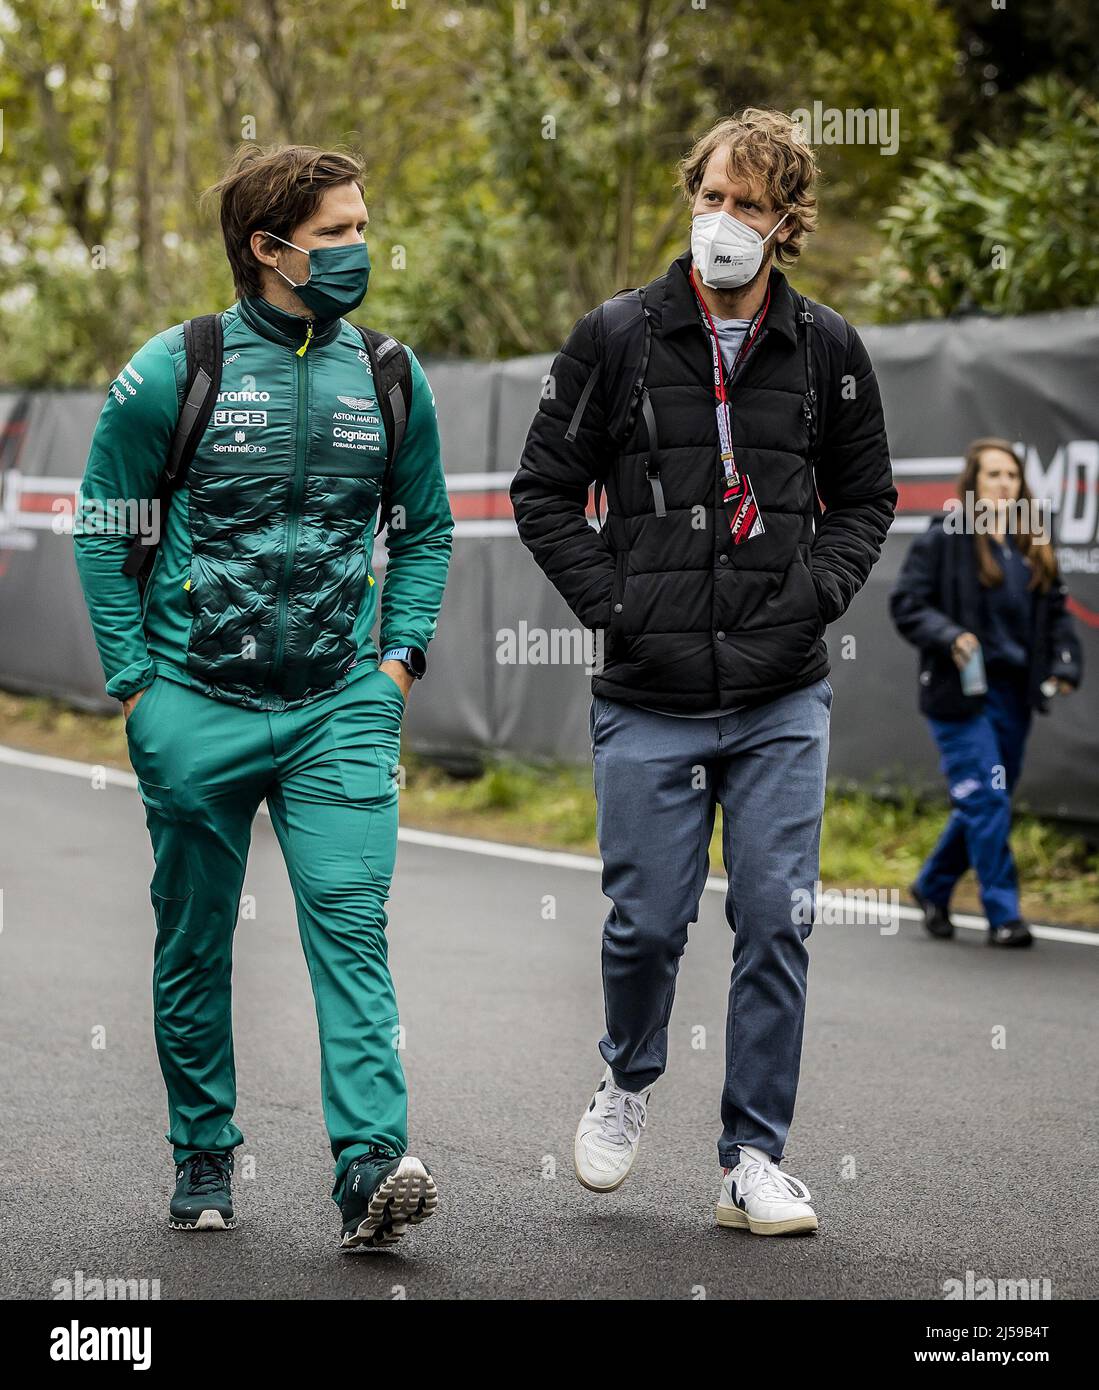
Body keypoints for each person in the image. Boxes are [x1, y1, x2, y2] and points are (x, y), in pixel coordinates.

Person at [510, 109, 896, 1235]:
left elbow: (866, 498)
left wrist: (816, 591)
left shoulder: (826, 348)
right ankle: (627, 1079)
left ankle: (752, 1158)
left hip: (782, 692)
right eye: (710, 194)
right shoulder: (617, 334)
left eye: (746, 203)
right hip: (651, 693)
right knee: (646, 923)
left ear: (786, 223)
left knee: (777, 919)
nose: (720, 219)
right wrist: (617, 605)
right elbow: (543, 491)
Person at [73, 144, 454, 1248]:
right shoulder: (172, 368)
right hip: (194, 699)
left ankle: (371, 1168)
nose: (358, 249)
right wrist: (137, 689)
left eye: (360, 227)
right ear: (269, 246)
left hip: (341, 703)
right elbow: (105, 532)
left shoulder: (390, 374)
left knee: (352, 928)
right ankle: (203, 1152)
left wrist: (397, 665)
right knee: (194, 939)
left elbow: (422, 530)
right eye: (336, 232)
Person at [890, 437, 1082, 948]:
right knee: (990, 799)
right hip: (960, 696)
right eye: (993, 474)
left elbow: (1056, 612)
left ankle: (932, 885)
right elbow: (907, 603)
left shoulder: (1029, 539)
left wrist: (1064, 663)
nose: (1003, 484)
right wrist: (949, 635)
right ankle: (1003, 913)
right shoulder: (946, 536)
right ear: (972, 482)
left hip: (1014, 698)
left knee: (982, 801)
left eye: (1011, 475)